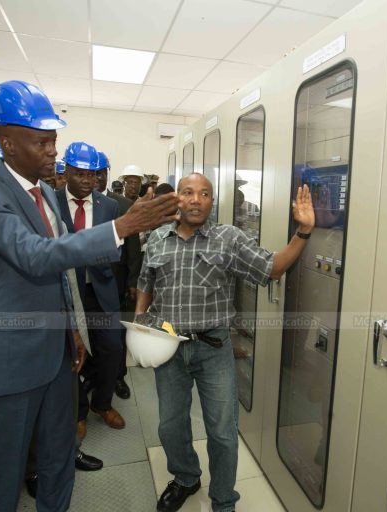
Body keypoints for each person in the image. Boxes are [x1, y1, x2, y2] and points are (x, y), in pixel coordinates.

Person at [0, 80, 180, 511]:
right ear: (6, 141)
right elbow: (36, 256)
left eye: (53, 141)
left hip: (59, 353)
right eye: (41, 141)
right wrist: (121, 228)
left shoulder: (42, 191)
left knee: (60, 458)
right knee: (4, 472)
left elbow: (61, 274)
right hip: (12, 361)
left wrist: (74, 332)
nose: (51, 152)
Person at [136, 173, 314, 512]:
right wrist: (140, 323)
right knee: (170, 426)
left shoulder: (227, 238)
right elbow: (146, 281)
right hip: (167, 346)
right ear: (178, 198)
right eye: (188, 192)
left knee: (222, 432)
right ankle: (186, 478)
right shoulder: (158, 238)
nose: (196, 199)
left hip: (213, 348)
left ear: (211, 200)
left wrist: (303, 231)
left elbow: (271, 269)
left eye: (205, 193)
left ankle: (223, 500)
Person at [56, 142, 126, 431]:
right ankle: (79, 412)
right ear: (67, 171)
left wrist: (90, 252)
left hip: (101, 290)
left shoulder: (108, 205)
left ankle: (102, 403)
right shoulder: (51, 201)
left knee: (112, 348)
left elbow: (116, 249)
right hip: (68, 292)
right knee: (73, 353)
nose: (88, 181)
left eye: (93, 175)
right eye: (81, 174)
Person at [97, 153, 142, 400]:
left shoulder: (123, 206)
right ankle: (94, 378)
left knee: (118, 336)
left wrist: (133, 281)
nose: (94, 178)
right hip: (86, 284)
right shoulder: (68, 204)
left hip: (117, 282)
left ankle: (118, 377)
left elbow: (133, 249)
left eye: (100, 172)